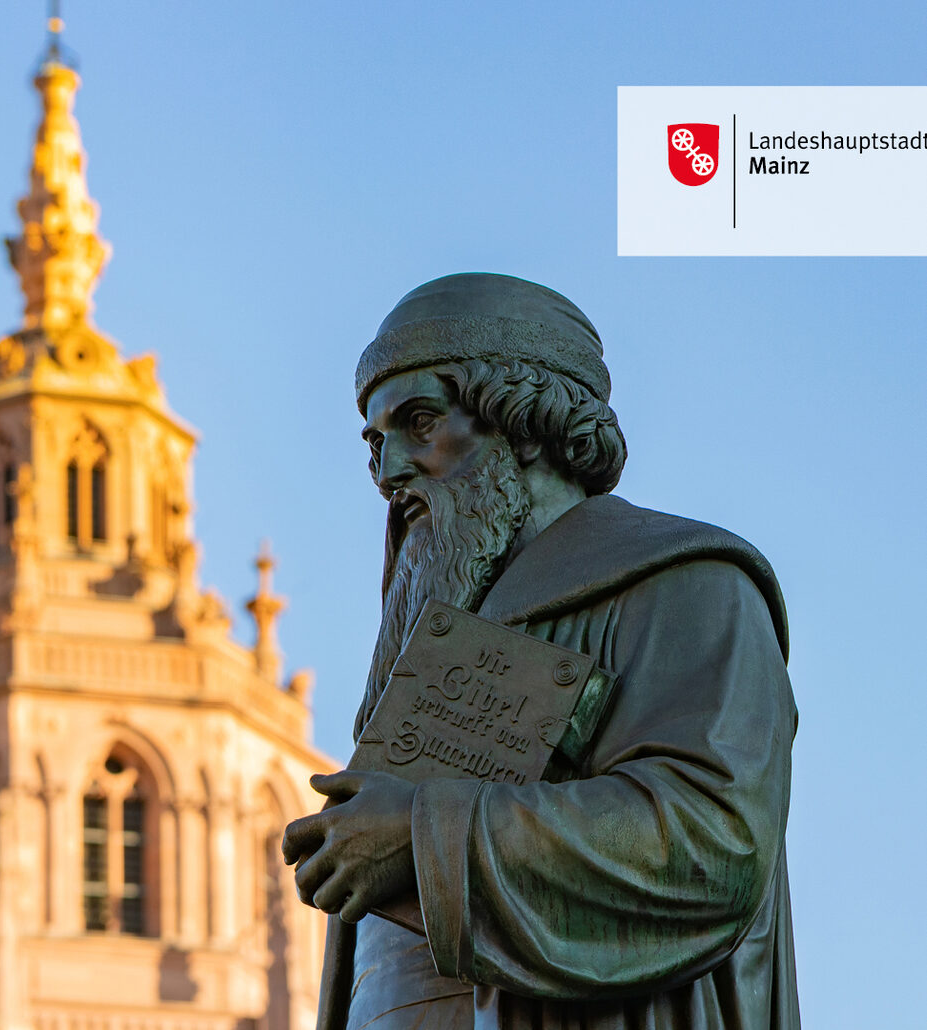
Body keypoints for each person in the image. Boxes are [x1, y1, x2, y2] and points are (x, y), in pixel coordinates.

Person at [281, 273, 799, 1029]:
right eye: (374, 442)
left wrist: (422, 837)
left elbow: (713, 841)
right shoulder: (431, 644)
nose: (387, 472)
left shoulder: (686, 584)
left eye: (419, 421)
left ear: (525, 423)